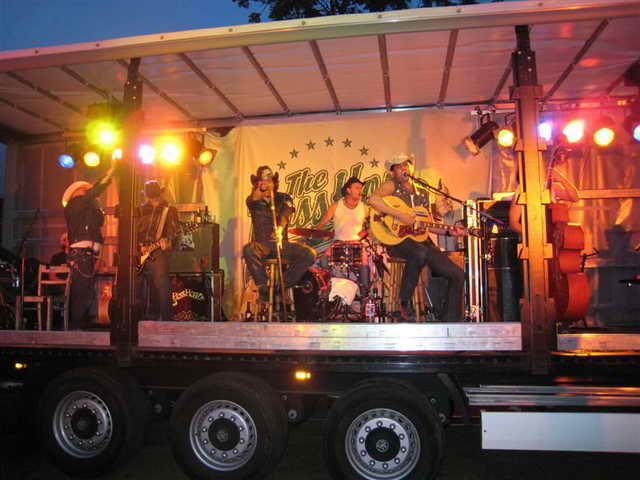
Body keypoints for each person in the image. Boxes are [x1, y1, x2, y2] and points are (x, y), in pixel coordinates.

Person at [368, 153, 465, 322]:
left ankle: (450, 320)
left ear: (411, 167)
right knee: (420, 252)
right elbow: (373, 200)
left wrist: (450, 231)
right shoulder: (392, 185)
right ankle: (404, 302)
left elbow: (428, 224)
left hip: (421, 242)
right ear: (393, 172)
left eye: (405, 165)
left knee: (458, 274)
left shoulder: (422, 193)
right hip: (396, 240)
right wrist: (400, 214)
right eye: (398, 167)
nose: (403, 168)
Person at [243, 166, 315, 303]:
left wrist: (279, 229)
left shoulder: (284, 198)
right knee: (248, 249)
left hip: (281, 246)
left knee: (309, 254)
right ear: (258, 182)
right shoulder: (253, 200)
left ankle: (280, 287)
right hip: (262, 246)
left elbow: (285, 214)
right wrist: (262, 189)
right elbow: (254, 198)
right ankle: (264, 287)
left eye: (270, 177)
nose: (267, 180)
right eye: (264, 178)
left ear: (275, 181)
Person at [62, 162, 117, 329]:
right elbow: (93, 193)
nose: (87, 192)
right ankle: (77, 327)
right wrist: (108, 175)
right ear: (76, 193)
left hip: (89, 253)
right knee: (82, 291)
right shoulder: (74, 204)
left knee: (87, 291)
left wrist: (96, 205)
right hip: (81, 253)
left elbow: (99, 220)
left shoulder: (87, 209)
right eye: (85, 190)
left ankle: (81, 325)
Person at [317, 176, 370, 294]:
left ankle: (365, 296)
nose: (360, 190)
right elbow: (321, 226)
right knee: (324, 259)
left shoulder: (364, 207)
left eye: (361, 188)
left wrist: (366, 232)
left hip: (356, 244)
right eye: (357, 188)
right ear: (348, 190)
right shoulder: (336, 206)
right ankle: (331, 291)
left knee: (364, 259)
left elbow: (371, 227)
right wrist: (322, 234)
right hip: (339, 243)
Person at [137, 180, 180, 322]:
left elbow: (176, 233)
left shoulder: (169, 210)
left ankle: (167, 321)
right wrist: (138, 245)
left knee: (162, 283)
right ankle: (139, 319)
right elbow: (134, 230)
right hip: (140, 251)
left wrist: (168, 243)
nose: (151, 198)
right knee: (136, 285)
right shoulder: (140, 210)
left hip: (158, 251)